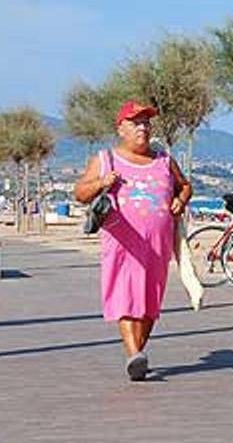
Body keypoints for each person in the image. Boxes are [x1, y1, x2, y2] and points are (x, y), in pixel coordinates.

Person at [74, 100, 193, 381]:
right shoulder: (106, 160)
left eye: (146, 123)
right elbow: (80, 192)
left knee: (150, 301)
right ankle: (133, 354)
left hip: (158, 244)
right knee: (126, 297)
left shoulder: (164, 159)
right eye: (136, 123)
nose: (143, 128)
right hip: (123, 243)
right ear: (121, 129)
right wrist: (102, 183)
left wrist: (180, 200)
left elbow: (185, 185)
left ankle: (137, 354)